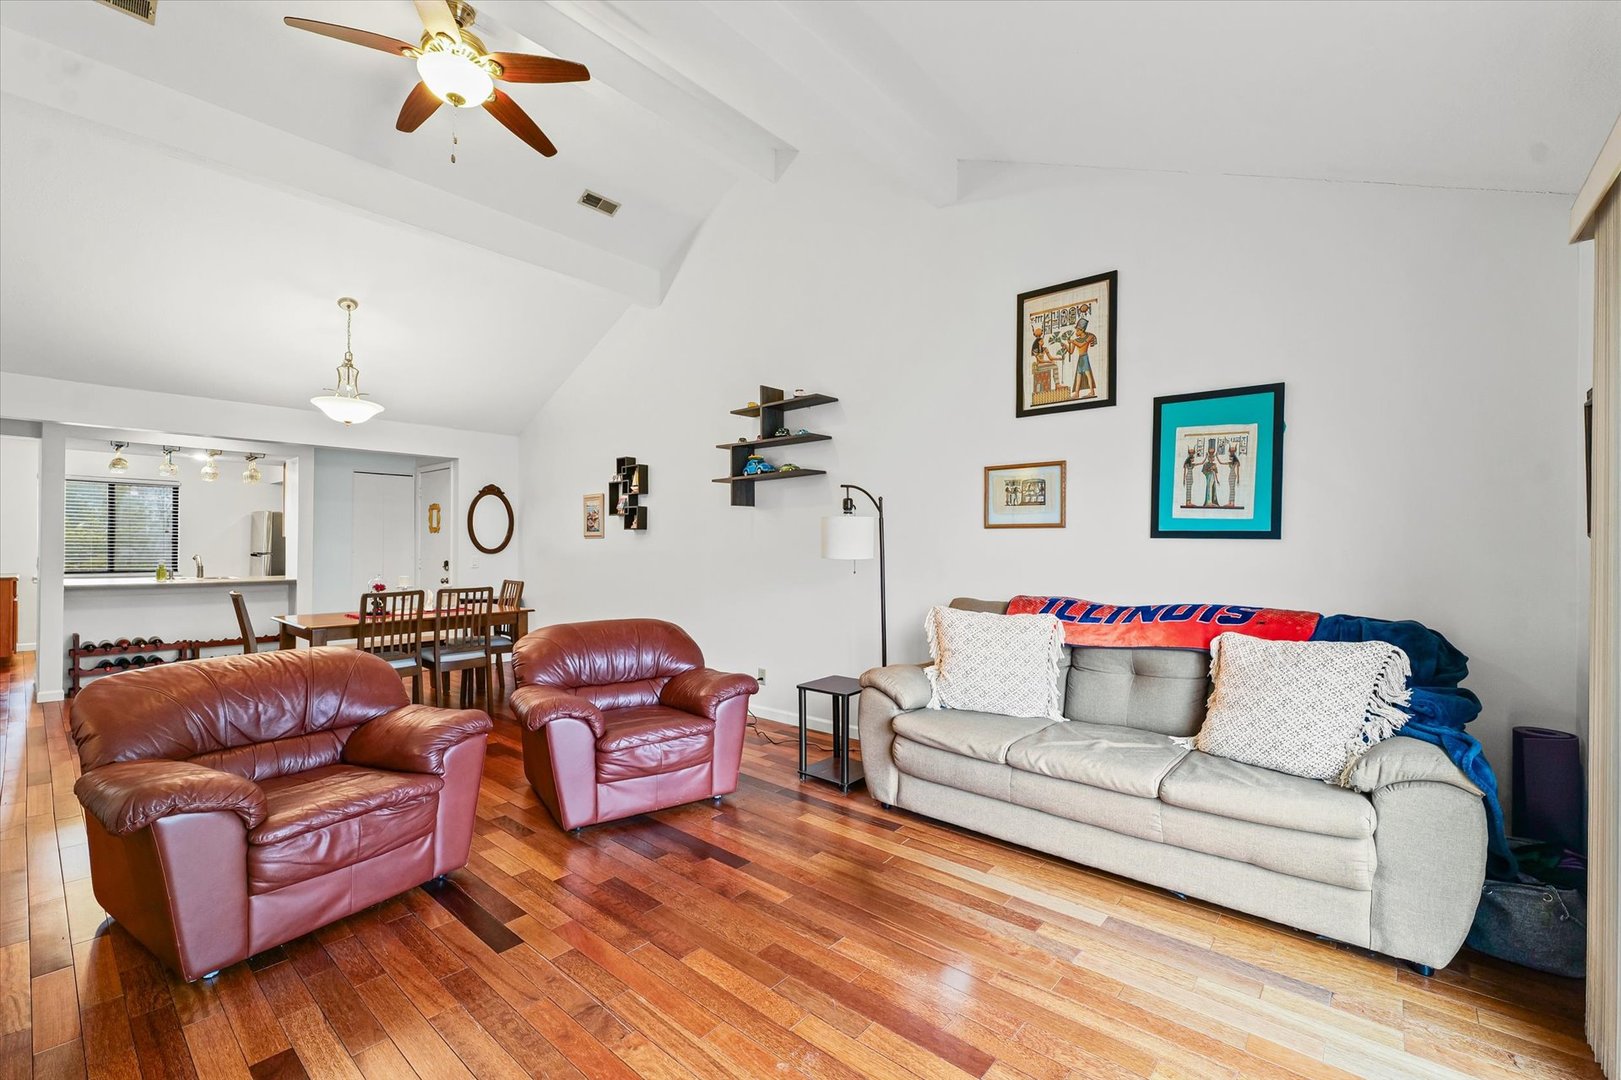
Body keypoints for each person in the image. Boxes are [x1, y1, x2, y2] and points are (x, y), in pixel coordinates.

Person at [1067, 305, 1098, 399]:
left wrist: (1072, 341)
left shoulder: (1088, 337)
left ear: (1082, 330)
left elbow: (1081, 345)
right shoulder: (1076, 340)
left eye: (1077, 329)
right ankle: (1076, 393)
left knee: (1088, 374)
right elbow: (1071, 351)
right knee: (1078, 375)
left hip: (1084, 357)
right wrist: (1065, 346)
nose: (1076, 331)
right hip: (1080, 359)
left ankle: (1092, 391)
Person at [1201, 440, 1221, 506]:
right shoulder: (1206, 464)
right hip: (1209, 477)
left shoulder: (1214, 464)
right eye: (1210, 457)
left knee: (1213, 488)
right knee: (1209, 488)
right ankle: (1208, 502)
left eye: (1213, 457)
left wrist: (1217, 480)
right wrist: (1209, 470)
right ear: (1208, 458)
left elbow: (1215, 473)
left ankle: (1213, 501)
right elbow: (1204, 471)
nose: (1212, 458)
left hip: (1213, 478)